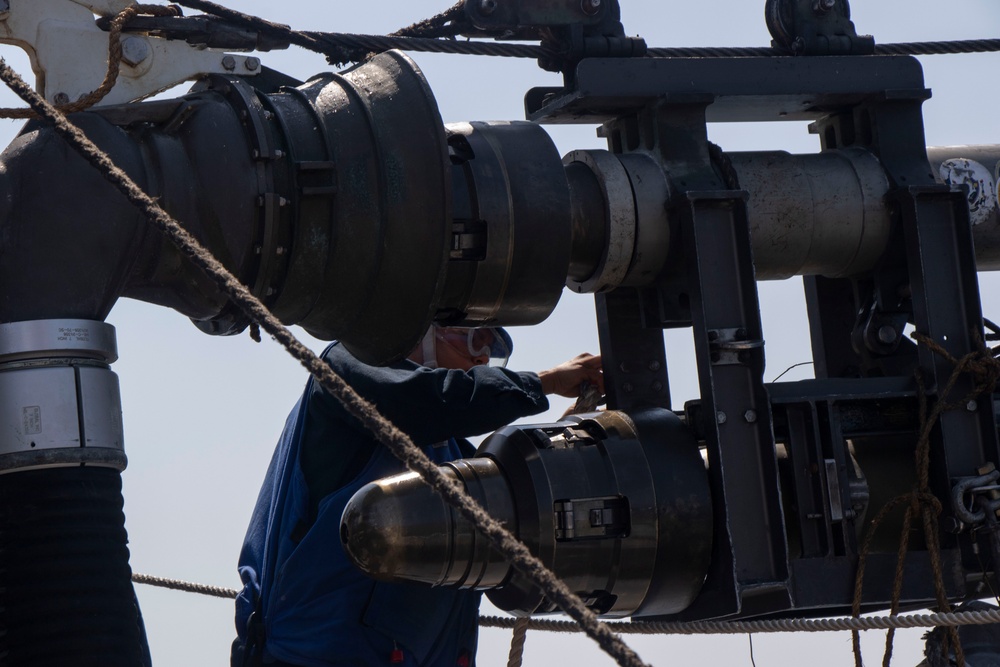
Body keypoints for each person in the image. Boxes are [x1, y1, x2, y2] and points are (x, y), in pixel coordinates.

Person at [231, 325, 603, 667]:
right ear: (421, 328)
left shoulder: (457, 454)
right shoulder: (345, 368)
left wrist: (563, 443)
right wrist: (546, 382)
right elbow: (427, 401)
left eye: (492, 350)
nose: (482, 357)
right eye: (473, 337)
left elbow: (519, 506)